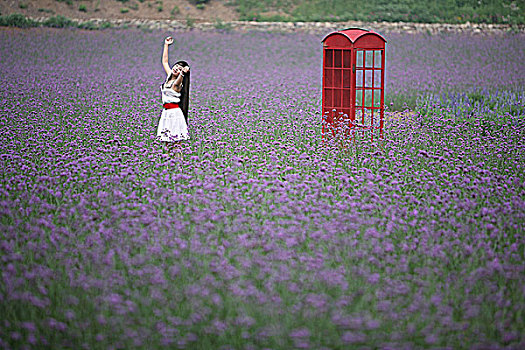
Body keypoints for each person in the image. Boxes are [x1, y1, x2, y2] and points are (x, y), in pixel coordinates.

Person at [156, 36, 191, 157]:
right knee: (167, 143)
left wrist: (183, 72)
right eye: (176, 66)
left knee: (176, 144)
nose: (176, 69)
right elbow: (165, 62)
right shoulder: (169, 77)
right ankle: (169, 164)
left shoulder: (177, 83)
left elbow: (180, 78)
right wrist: (166, 45)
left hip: (174, 114)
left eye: (179, 69)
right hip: (166, 113)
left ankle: (179, 164)